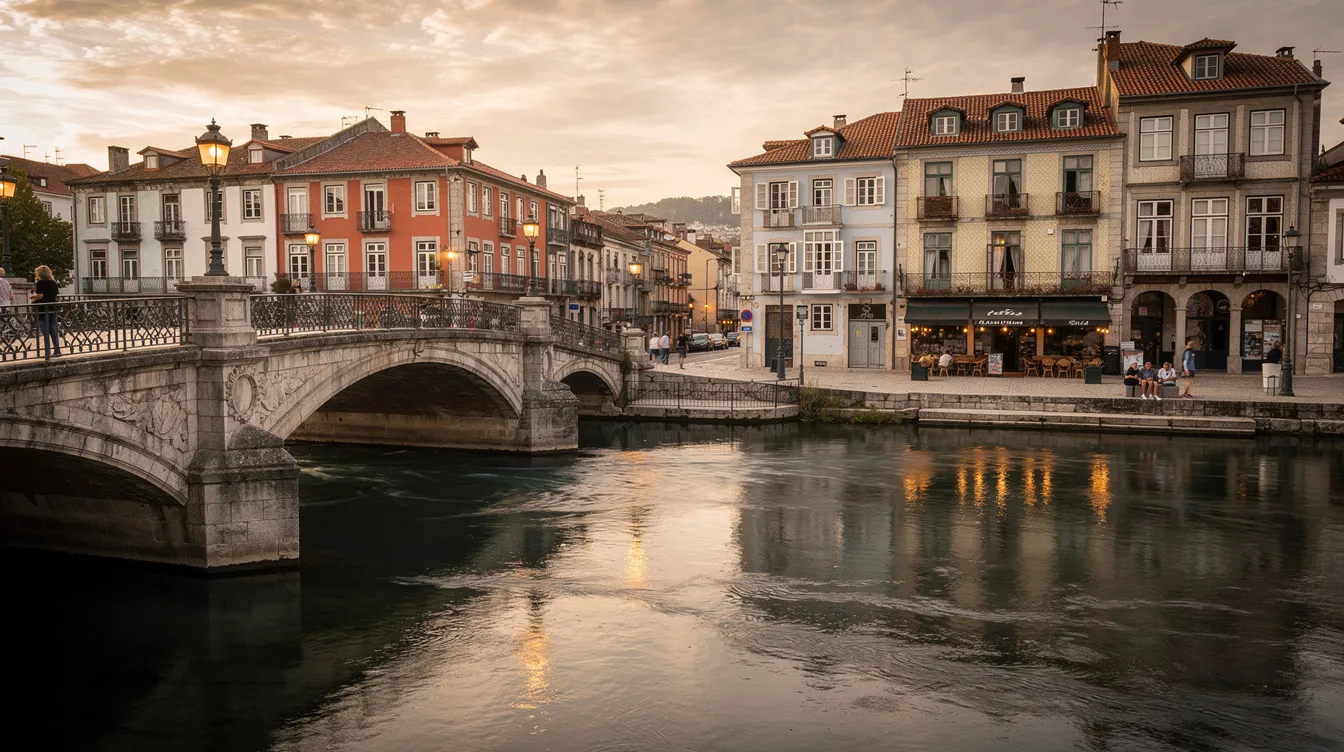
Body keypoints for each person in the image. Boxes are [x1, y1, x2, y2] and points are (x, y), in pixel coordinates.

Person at [30, 265, 61, 359]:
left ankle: (47, 352)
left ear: (40, 273)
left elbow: (40, 295)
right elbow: (55, 294)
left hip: (42, 308)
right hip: (53, 307)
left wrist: (32, 297)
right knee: (53, 328)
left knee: (44, 330)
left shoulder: (40, 283)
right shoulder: (53, 282)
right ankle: (57, 349)